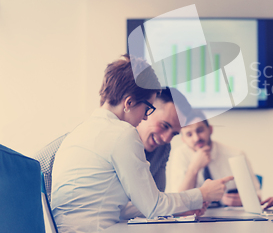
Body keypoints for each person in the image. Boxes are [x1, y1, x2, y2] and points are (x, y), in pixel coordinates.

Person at [51, 55, 232, 233]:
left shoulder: (79, 132)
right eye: (147, 109)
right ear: (128, 102)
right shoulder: (122, 133)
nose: (146, 116)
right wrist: (202, 194)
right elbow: (154, 206)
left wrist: (179, 206)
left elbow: (123, 207)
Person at [34, 87, 191, 204]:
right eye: (164, 125)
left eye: (174, 133)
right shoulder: (93, 137)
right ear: (146, 111)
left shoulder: (162, 149)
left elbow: (155, 200)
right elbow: (32, 167)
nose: (166, 138)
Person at [168, 109, 260, 207]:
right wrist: (193, 169)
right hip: (196, 216)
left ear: (210, 130)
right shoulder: (180, 155)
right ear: (183, 140)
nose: (196, 138)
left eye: (200, 130)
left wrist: (243, 201)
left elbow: (258, 195)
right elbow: (179, 202)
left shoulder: (236, 154)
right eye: (189, 134)